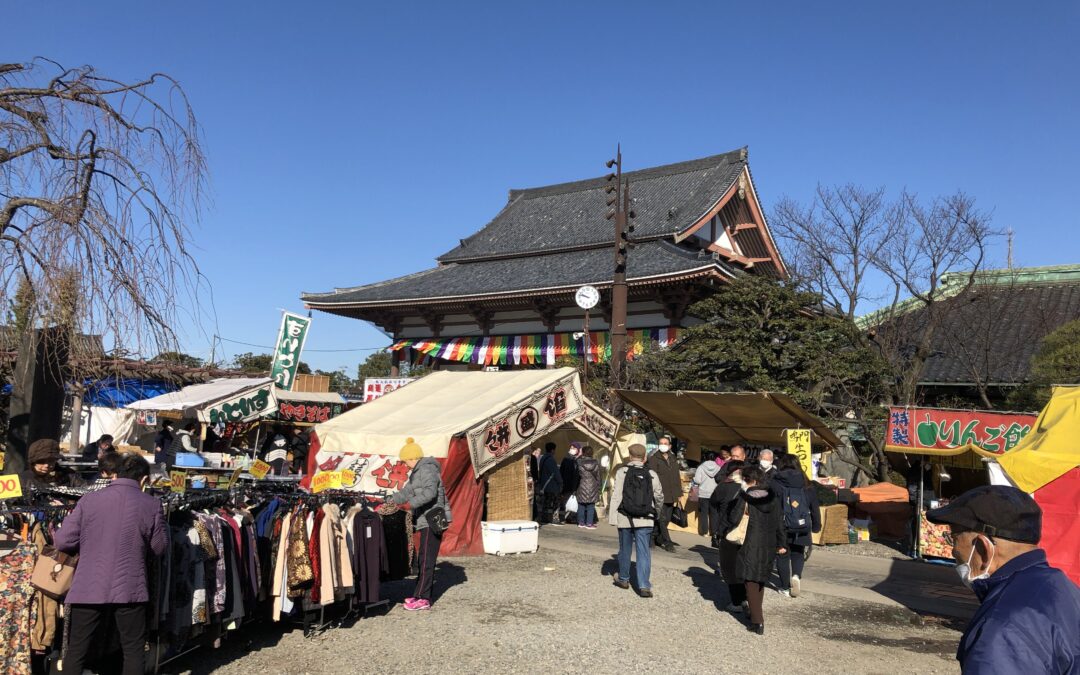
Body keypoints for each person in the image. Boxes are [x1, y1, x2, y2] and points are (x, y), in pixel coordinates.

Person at [927, 485, 1080, 673]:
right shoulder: (1062, 586)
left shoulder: (1000, 630)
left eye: (954, 538)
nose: (953, 551)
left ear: (983, 548)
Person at [55, 453, 168, 675]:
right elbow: (159, 548)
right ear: (144, 480)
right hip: (130, 589)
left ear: (115, 475)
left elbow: (62, 540)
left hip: (88, 586)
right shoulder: (152, 504)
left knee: (76, 650)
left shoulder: (89, 500)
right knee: (133, 650)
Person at [389, 438, 451, 612]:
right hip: (425, 520)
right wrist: (390, 501)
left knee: (426, 560)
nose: (404, 464)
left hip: (432, 520)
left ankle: (424, 599)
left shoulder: (427, 469)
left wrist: (410, 505)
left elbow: (430, 493)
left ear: (411, 457)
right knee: (423, 558)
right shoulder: (418, 472)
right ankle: (418, 595)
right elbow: (407, 491)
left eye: (404, 460)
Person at [734, 465, 786, 635]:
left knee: (750, 580)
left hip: (751, 541)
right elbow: (779, 522)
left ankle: (758, 621)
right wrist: (782, 543)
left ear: (752, 481)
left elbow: (734, 517)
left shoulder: (746, 497)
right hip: (769, 542)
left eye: (745, 479)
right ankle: (757, 615)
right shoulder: (773, 498)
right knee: (760, 579)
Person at [608, 443, 664, 597]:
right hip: (646, 519)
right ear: (645, 457)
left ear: (630, 456)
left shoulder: (622, 472)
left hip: (625, 517)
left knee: (625, 549)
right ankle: (644, 585)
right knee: (643, 551)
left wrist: (613, 518)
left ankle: (624, 579)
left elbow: (617, 495)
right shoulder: (652, 474)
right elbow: (659, 496)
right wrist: (656, 513)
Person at [773, 454, 821, 598]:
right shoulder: (807, 483)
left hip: (781, 524)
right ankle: (796, 576)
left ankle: (785, 587)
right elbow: (814, 507)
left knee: (782, 554)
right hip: (802, 523)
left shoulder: (775, 482)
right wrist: (816, 525)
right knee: (798, 553)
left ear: (781, 465)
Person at [712, 460, 747, 610]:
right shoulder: (752, 487)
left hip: (727, 531)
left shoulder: (723, 487)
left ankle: (737, 601)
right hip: (747, 532)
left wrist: (716, 529)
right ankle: (747, 599)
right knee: (744, 566)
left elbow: (713, 505)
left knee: (730, 568)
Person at [646, 435, 682, 552]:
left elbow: (676, 477)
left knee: (666, 520)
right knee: (662, 519)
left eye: (665, 443)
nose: (663, 445)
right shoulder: (654, 459)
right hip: (659, 494)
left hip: (671, 494)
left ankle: (652, 536)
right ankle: (667, 543)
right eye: (661, 443)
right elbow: (652, 477)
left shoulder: (673, 458)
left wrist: (679, 493)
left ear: (670, 446)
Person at [692, 450, 723, 546]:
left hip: (703, 493)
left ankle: (704, 531)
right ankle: (714, 533)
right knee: (714, 514)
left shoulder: (701, 467)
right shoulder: (718, 468)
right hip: (714, 493)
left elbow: (697, 480)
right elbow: (720, 480)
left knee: (703, 513)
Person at [575, 445, 601, 529]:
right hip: (593, 486)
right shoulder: (596, 463)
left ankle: (581, 523)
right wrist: (599, 486)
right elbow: (598, 476)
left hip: (581, 485)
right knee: (591, 506)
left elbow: (576, 476)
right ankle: (589, 523)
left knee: (581, 505)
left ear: (583, 452)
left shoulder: (578, 462)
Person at [537, 442, 563, 525]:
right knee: (555, 503)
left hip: (544, 485)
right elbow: (555, 473)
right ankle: (555, 519)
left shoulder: (542, 458)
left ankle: (544, 518)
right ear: (552, 450)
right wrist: (561, 482)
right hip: (552, 486)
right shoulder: (551, 460)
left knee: (546, 503)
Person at [559, 444, 581, 522]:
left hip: (573, 486)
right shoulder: (567, 459)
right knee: (564, 502)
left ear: (578, 450)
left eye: (574, 448)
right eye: (571, 448)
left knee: (572, 502)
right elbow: (561, 471)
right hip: (567, 485)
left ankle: (570, 517)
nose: (571, 449)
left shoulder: (577, 460)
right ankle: (562, 518)